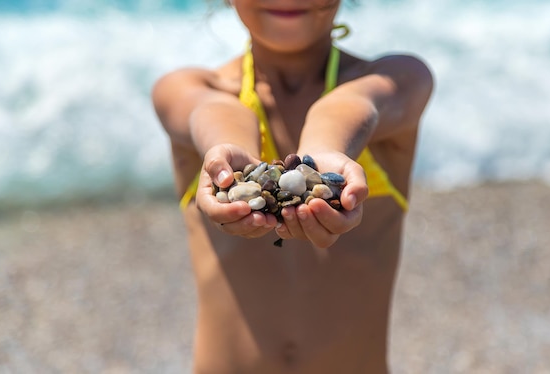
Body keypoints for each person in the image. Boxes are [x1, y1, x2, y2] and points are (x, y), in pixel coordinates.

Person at [152, 0, 433, 372]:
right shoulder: (186, 87)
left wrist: (323, 150)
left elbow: (353, 104)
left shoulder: (399, 78)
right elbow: (213, 112)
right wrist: (229, 153)